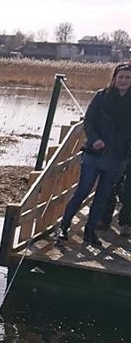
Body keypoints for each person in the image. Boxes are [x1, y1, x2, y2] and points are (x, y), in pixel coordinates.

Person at [59, 62, 131, 247]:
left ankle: (90, 232)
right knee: (82, 190)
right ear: (114, 78)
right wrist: (95, 140)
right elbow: (89, 121)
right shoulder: (102, 96)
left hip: (118, 156)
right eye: (120, 77)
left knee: (103, 195)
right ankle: (64, 227)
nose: (124, 81)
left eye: (128, 77)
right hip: (95, 153)